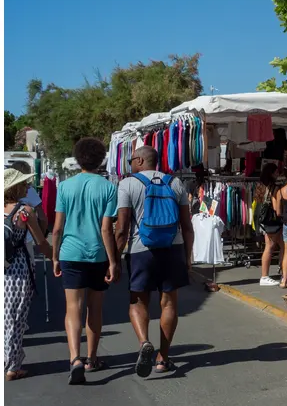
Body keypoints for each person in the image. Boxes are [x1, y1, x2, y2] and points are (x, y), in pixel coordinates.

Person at [114, 146, 193, 376]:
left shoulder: (128, 184)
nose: (129, 163)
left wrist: (116, 259)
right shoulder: (175, 183)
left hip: (141, 249)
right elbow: (187, 226)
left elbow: (121, 227)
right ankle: (163, 358)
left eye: (131, 159)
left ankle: (144, 343)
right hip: (173, 247)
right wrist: (187, 257)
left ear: (140, 160)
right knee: (169, 303)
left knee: (138, 302)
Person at [51, 138, 119, 384]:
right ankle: (92, 358)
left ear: (78, 159)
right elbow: (106, 230)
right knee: (95, 308)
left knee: (73, 309)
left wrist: (55, 256)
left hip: (70, 253)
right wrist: (113, 261)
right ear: (101, 159)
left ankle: (74, 358)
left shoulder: (65, 187)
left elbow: (57, 228)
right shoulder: (109, 188)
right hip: (97, 254)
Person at [4, 168, 53, 381]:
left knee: (4, 317)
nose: (27, 186)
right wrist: (55, 259)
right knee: (16, 317)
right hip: (17, 268)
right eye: (23, 183)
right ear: (15, 187)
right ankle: (11, 365)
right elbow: (41, 241)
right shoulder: (24, 211)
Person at [253, 163, 283, 286]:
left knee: (284, 245)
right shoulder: (274, 188)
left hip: (264, 220)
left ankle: (284, 270)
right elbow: (276, 208)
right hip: (272, 221)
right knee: (270, 247)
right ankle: (264, 276)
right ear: (271, 174)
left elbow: (257, 202)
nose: (278, 174)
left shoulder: (260, 186)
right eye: (276, 172)